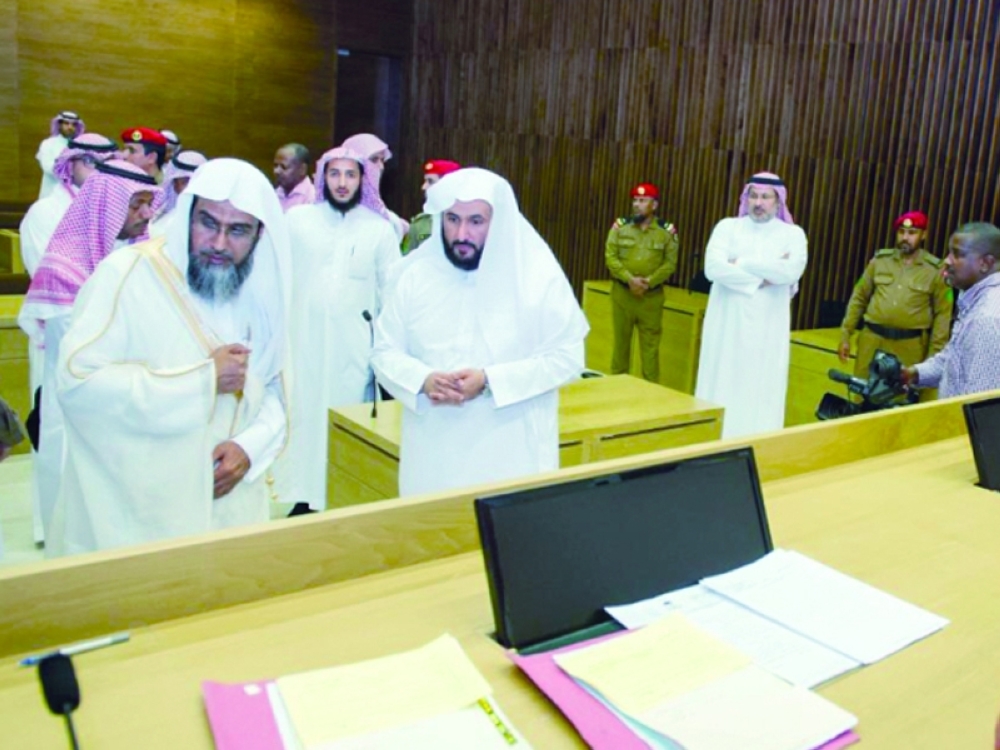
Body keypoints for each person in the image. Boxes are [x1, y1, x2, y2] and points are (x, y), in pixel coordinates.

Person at [47, 158, 290, 556]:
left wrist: (250, 446)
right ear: (187, 215)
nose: (219, 244)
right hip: (141, 514)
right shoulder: (128, 274)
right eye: (208, 223)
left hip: (232, 505)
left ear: (259, 233)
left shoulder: (261, 293)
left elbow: (277, 386)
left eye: (238, 230)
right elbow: (78, 382)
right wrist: (202, 381)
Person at [371, 168, 589, 497]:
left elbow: (568, 358)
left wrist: (489, 381)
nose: (461, 234)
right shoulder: (414, 276)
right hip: (432, 453)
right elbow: (384, 351)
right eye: (452, 219)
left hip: (510, 452)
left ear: (497, 222)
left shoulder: (535, 279)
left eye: (476, 221)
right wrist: (422, 379)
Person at [19, 160, 159, 540]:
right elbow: (86, 352)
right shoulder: (65, 267)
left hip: (129, 406)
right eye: (137, 204)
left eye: (150, 203)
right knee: (78, 519)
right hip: (78, 412)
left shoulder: (141, 257)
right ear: (107, 206)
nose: (148, 213)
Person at [282, 146, 400, 510]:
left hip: (353, 351)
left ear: (363, 179)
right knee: (301, 418)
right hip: (301, 343)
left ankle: (335, 498)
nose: (342, 183)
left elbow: (392, 294)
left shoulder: (379, 230)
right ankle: (299, 495)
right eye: (335, 174)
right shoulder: (298, 221)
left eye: (351, 174)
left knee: (344, 417)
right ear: (323, 177)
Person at [694, 172, 808, 439]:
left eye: (766, 197)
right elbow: (713, 269)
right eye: (754, 196)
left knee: (760, 385)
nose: (759, 203)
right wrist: (762, 278)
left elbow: (790, 272)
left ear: (778, 201)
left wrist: (740, 263)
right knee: (722, 379)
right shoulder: (727, 227)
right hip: (727, 327)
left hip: (767, 330)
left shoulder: (793, 234)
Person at [838, 211, 952, 378]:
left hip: (909, 345)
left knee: (901, 391)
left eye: (912, 233)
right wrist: (845, 334)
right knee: (862, 387)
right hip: (872, 340)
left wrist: (934, 355)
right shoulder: (879, 261)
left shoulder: (935, 270)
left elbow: (943, 314)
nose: (905, 237)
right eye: (901, 232)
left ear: (923, 235)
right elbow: (859, 297)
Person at [903, 223, 1000, 397]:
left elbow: (978, 403)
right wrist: (913, 374)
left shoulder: (986, 319)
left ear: (985, 263)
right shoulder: (975, 301)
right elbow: (954, 361)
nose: (947, 261)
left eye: (957, 254)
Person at [604, 182, 679, 383]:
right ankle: (616, 391)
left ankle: (650, 394)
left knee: (650, 352)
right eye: (635, 200)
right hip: (623, 296)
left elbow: (670, 263)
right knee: (620, 348)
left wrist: (649, 282)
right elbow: (611, 257)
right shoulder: (620, 227)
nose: (637, 204)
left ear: (654, 205)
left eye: (643, 201)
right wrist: (629, 279)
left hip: (650, 299)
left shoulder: (666, 231)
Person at [340, 133, 409, 239]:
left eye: (382, 160)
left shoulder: (376, 204)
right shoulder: (338, 201)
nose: (381, 167)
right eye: (374, 160)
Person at [401, 159, 461, 254]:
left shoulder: (468, 221)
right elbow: (407, 258)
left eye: (430, 181)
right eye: (425, 181)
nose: (424, 187)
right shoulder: (421, 223)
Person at [150, 150, 208, 237]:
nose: (191, 188)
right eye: (185, 182)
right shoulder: (158, 219)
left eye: (196, 182)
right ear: (175, 184)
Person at [36, 111, 85, 199]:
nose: (70, 127)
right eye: (66, 123)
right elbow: (48, 167)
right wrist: (71, 170)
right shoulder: (48, 144)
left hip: (72, 196)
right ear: (59, 125)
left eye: (73, 124)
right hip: (50, 193)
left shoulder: (80, 146)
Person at [273, 143, 315, 211]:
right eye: (275, 166)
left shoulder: (313, 198)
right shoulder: (274, 194)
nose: (276, 171)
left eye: (284, 167)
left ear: (302, 169)